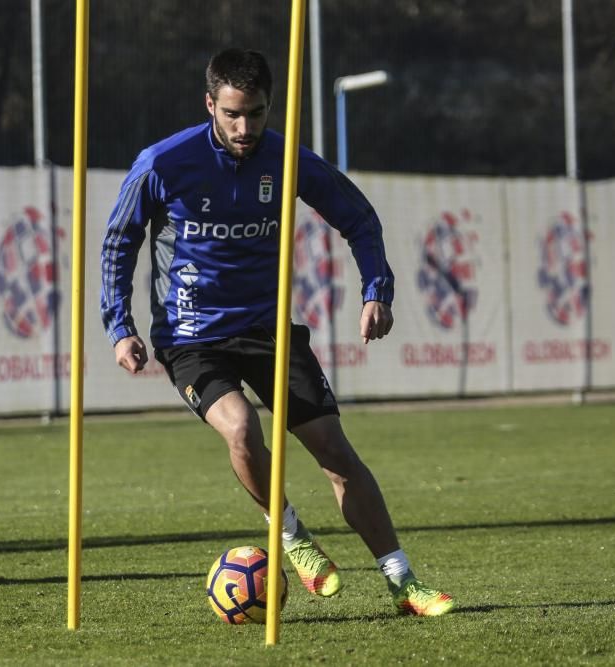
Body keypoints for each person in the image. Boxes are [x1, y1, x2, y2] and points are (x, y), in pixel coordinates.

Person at [100, 47, 453, 617]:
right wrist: (120, 327)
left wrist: (376, 291)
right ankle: (291, 537)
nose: (245, 128)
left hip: (268, 331)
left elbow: (359, 218)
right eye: (233, 114)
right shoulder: (164, 162)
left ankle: (403, 582)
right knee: (240, 427)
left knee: (335, 454)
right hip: (190, 336)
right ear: (210, 104)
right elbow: (120, 242)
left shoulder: (288, 160)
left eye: (257, 113)